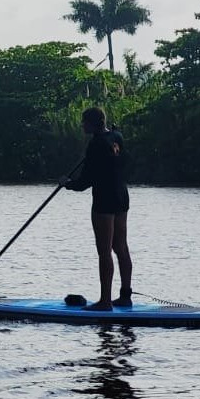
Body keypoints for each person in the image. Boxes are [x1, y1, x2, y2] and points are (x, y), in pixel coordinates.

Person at [60, 107, 131, 311]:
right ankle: (125, 297)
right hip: (121, 196)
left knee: (104, 251)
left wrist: (67, 183)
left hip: (104, 200)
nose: (82, 125)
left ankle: (105, 302)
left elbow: (85, 181)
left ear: (92, 124)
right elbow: (124, 161)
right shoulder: (116, 136)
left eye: (84, 122)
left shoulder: (95, 144)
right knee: (121, 247)